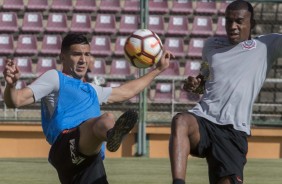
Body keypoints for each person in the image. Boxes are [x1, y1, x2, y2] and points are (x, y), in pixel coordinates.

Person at [3, 33, 173, 184]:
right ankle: (111, 135)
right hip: (65, 146)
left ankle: (109, 135)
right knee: (106, 119)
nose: (83, 59)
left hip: (90, 159)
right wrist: (11, 85)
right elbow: (15, 101)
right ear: (63, 57)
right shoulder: (55, 78)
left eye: (87, 54)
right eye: (77, 54)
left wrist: (157, 70)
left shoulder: (93, 90)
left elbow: (125, 92)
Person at [169, 0, 282, 184]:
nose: (233, 26)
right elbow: (203, 80)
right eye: (228, 21)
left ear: (251, 23)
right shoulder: (211, 45)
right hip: (204, 119)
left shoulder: (266, 46)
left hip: (233, 131)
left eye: (239, 21)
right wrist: (195, 83)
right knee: (180, 121)